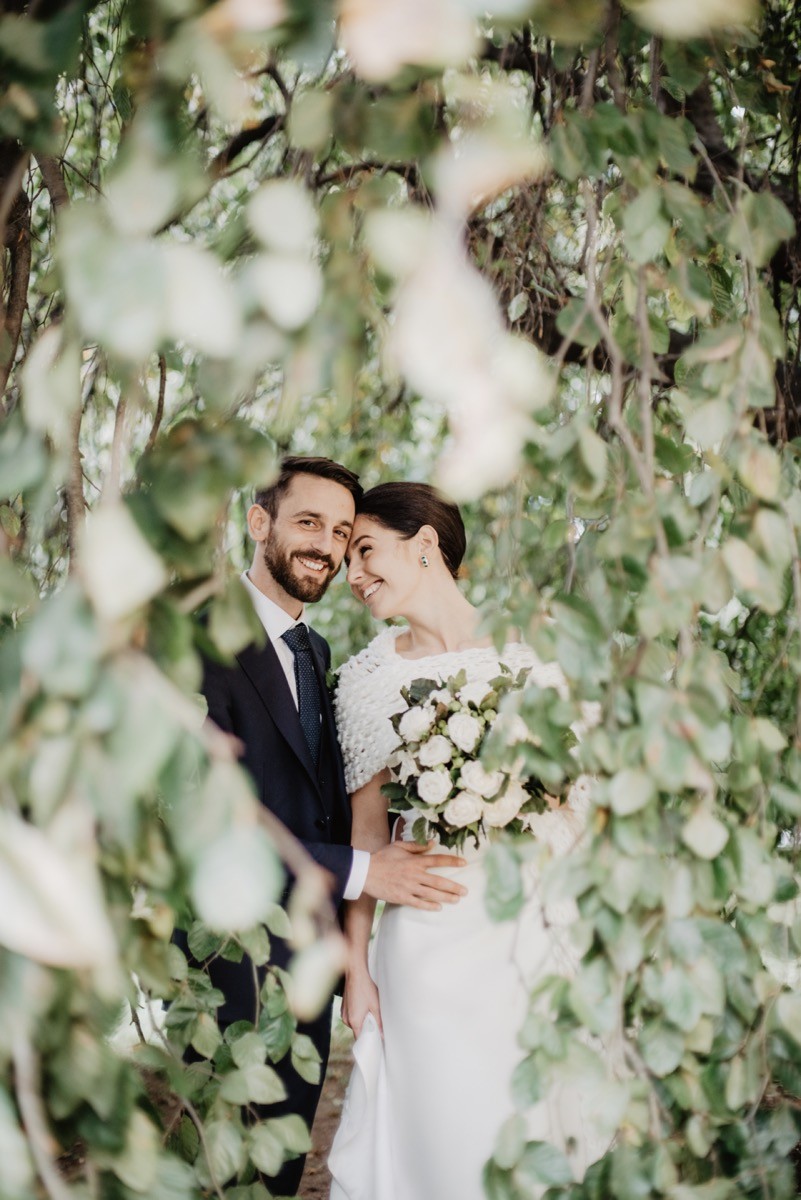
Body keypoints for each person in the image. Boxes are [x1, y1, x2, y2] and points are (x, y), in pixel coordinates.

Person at [192, 459, 468, 1196]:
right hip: (233, 963)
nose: (328, 546)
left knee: (278, 1170)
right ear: (259, 523)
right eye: (308, 522)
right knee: (222, 1170)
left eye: (342, 532)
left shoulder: (316, 654)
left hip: (309, 960)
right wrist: (363, 871)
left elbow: (330, 803)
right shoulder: (194, 639)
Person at [328, 482, 603, 1200]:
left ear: (423, 544)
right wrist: (356, 970)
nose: (350, 574)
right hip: (427, 939)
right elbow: (365, 837)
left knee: (531, 1128)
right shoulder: (365, 681)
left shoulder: (536, 648)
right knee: (444, 1137)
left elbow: (586, 800)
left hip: (531, 936)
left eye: (363, 550)